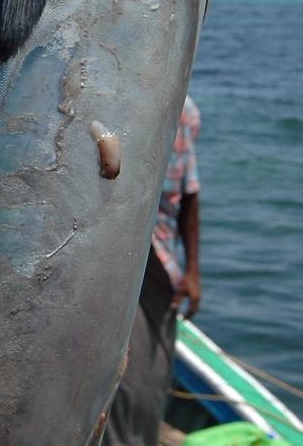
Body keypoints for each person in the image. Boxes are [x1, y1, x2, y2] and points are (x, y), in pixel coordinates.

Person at [104, 95, 202, 446]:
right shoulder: (105, 104)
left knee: (149, 381)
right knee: (115, 387)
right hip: (111, 260)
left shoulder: (185, 110)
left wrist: (192, 270)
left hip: (158, 269)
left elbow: (189, 191)